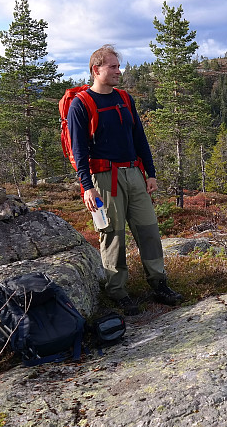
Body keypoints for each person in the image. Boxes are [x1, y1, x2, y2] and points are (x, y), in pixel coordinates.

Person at [67, 44, 181, 315]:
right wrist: (87, 187)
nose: (119, 71)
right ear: (96, 69)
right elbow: (79, 150)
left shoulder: (125, 99)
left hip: (133, 174)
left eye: (118, 66)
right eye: (113, 66)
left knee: (149, 230)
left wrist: (150, 173)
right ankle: (118, 291)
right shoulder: (81, 105)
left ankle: (159, 283)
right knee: (112, 236)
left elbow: (139, 137)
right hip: (104, 179)